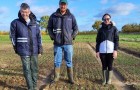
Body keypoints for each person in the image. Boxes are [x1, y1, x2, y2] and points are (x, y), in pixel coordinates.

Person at [10, 3, 43, 90]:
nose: (24, 14)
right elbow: (12, 37)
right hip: (23, 51)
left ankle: (34, 86)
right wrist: (16, 48)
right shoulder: (15, 23)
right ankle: (30, 87)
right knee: (27, 70)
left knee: (34, 69)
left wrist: (40, 49)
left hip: (34, 50)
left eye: (26, 12)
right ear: (20, 11)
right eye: (23, 12)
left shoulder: (35, 23)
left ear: (29, 12)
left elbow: (39, 37)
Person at [47, 0, 78, 84]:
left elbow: (76, 29)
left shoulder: (71, 16)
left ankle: (70, 78)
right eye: (61, 4)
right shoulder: (53, 16)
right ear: (59, 5)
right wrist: (53, 37)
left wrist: (71, 37)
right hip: (57, 44)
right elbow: (49, 28)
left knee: (69, 61)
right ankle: (56, 77)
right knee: (57, 61)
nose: (63, 6)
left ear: (66, 5)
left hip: (68, 44)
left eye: (64, 5)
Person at [96, 13, 119, 85]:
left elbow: (116, 40)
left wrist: (115, 50)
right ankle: (104, 80)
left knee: (110, 65)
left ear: (110, 19)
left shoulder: (114, 28)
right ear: (103, 20)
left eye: (108, 19)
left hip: (111, 51)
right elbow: (98, 41)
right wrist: (97, 51)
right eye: (105, 19)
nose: (106, 20)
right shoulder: (100, 29)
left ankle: (109, 80)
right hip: (102, 51)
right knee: (104, 65)